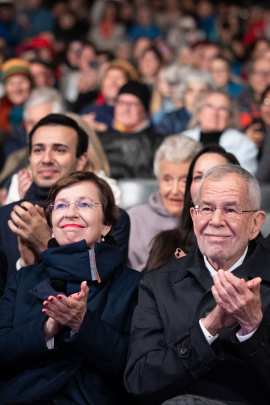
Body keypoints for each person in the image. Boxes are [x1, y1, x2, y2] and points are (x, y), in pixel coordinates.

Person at [125, 164, 270, 405]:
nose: (216, 221)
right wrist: (207, 329)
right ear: (194, 217)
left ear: (255, 224)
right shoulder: (157, 284)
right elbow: (139, 382)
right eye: (207, 209)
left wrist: (253, 328)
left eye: (231, 210)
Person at [0, 170, 142, 404]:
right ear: (52, 224)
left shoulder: (133, 285)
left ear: (106, 224)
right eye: (61, 205)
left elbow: (133, 371)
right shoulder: (22, 279)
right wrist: (46, 330)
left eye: (84, 204)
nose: (70, 213)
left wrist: (82, 324)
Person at [0, 114, 129, 279]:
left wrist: (45, 243)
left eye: (59, 150)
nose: (46, 159)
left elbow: (108, 287)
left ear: (81, 160)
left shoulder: (108, 218)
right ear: (30, 158)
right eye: (38, 150)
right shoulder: (5, 217)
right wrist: (25, 266)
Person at [147, 144, 240, 270]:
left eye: (216, 176)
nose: (205, 184)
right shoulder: (165, 243)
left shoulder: (254, 248)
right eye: (198, 177)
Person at [128, 135, 202, 272]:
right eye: (167, 179)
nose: (175, 191)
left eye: (184, 181)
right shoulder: (133, 218)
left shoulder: (205, 221)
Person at [98, 81, 164, 179]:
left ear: (144, 109)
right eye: (121, 102)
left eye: (133, 104)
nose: (126, 108)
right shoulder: (99, 139)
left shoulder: (158, 142)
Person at [182, 90, 258, 174]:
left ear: (230, 116)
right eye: (209, 106)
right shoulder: (182, 139)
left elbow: (245, 178)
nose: (215, 112)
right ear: (199, 111)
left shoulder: (243, 143)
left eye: (222, 108)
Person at [80, 59, 138, 131]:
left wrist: (106, 130)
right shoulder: (89, 111)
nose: (113, 81)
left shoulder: (134, 111)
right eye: (109, 77)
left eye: (119, 77)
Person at [157, 70, 214, 135]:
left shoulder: (215, 119)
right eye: (190, 90)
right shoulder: (170, 120)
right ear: (184, 93)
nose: (195, 96)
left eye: (202, 91)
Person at [0, 58, 32, 169]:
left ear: (31, 84)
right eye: (11, 83)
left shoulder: (42, 111)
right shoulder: (2, 113)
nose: (17, 88)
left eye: (22, 82)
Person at [237, 58, 270, 128]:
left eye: (268, 73)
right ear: (250, 76)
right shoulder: (239, 101)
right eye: (258, 72)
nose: (263, 77)